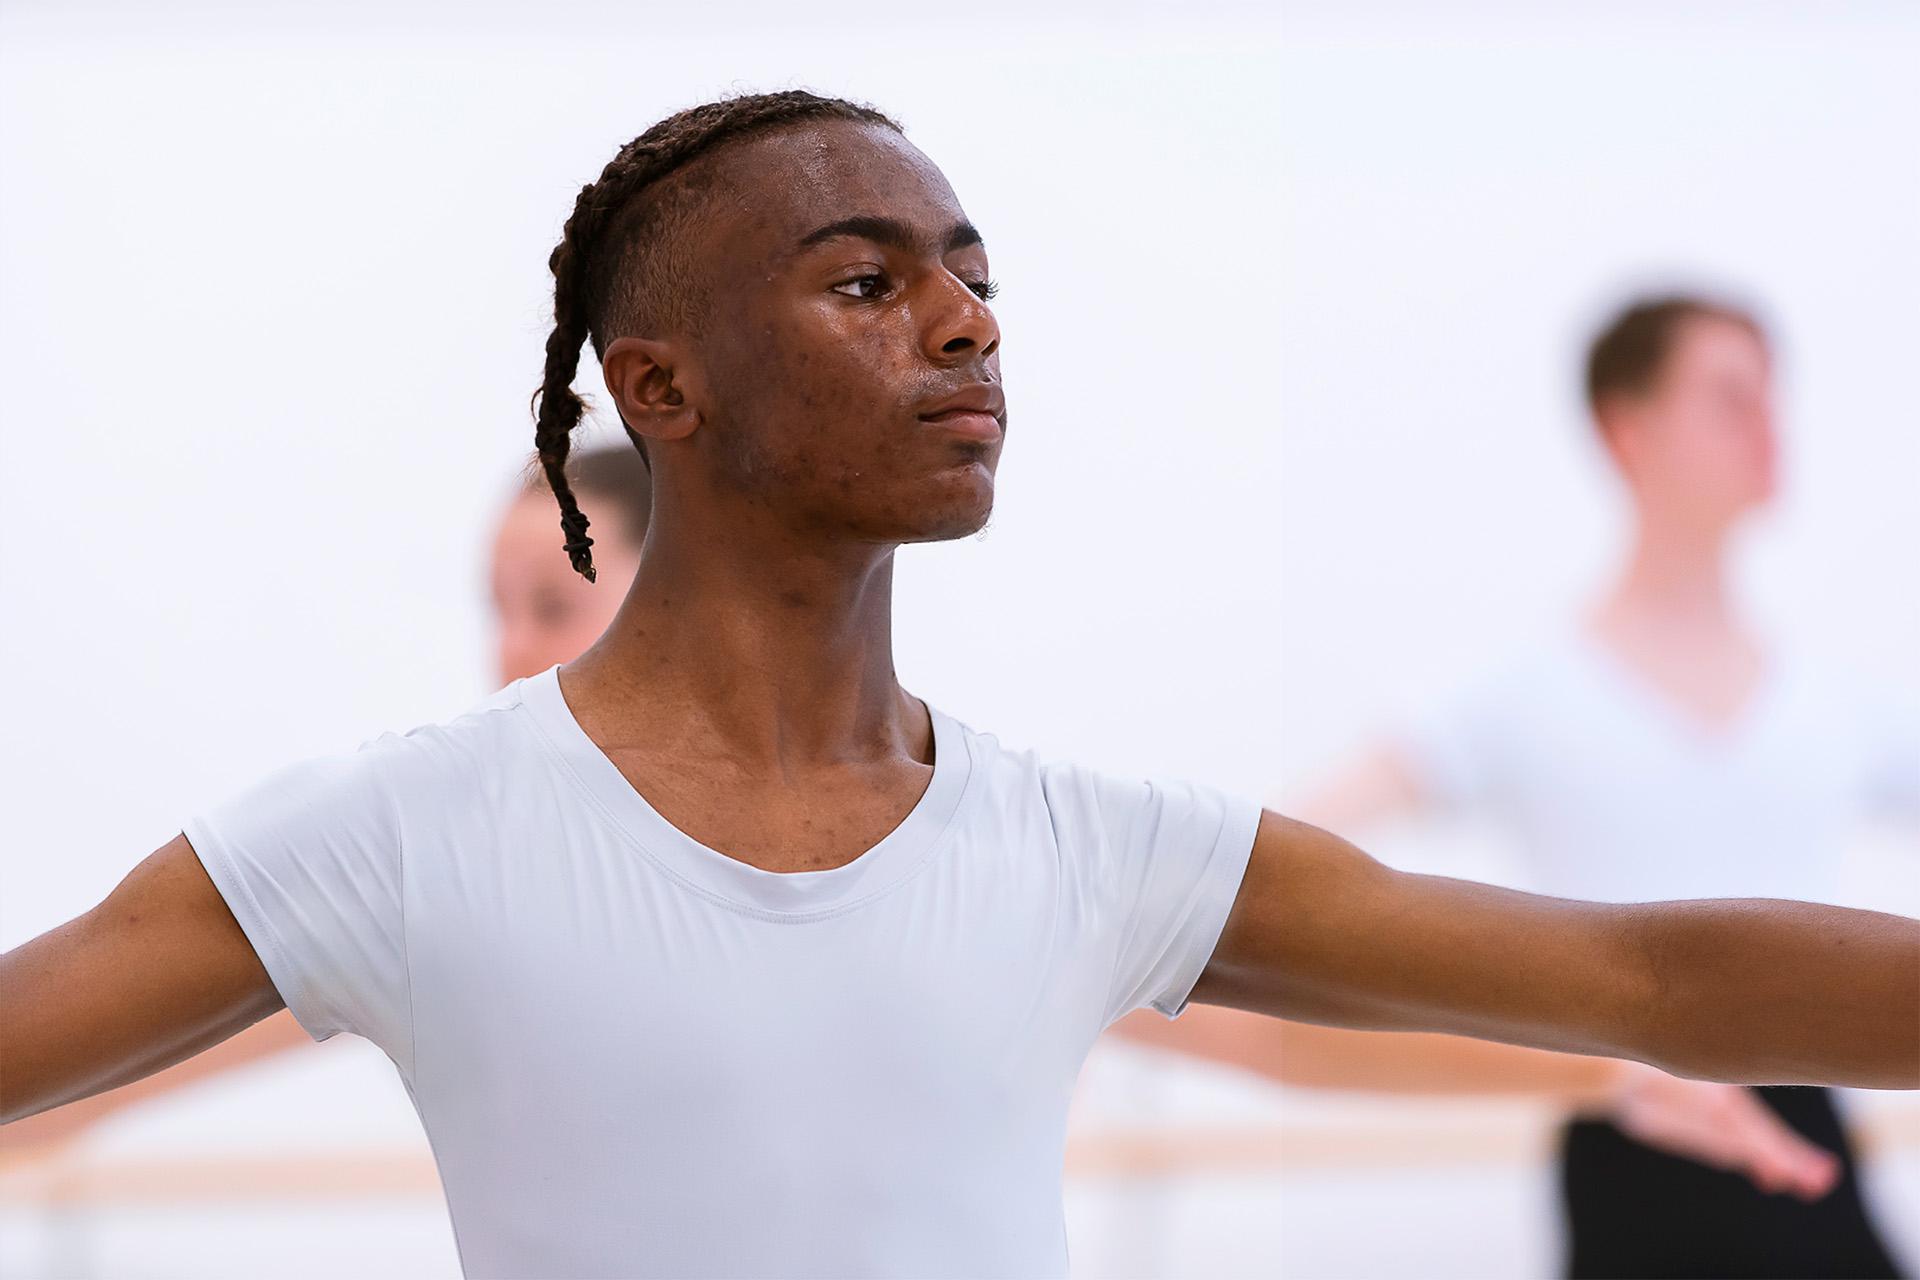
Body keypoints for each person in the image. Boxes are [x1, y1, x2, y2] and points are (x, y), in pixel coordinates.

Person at [1, 93, 1914, 1278]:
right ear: (660, 387)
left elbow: (1642, 972)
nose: (967, 321)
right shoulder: (398, 843)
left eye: (971, 274)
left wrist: (1606, 1072)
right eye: (868, 282)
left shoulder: (1081, 853)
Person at [1134, 294, 1916, 1277]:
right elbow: (1276, 864)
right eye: (1730, 397)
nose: (1770, 427)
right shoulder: (1521, 692)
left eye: (1772, 396)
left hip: (1812, 1148)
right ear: (1628, 427)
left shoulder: (1837, 702)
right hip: (1626, 1141)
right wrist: (1123, 966)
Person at [0, 445, 650, 1159]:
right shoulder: (452, 853)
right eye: (499, 610)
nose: (512, 651)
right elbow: (141, 1036)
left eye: (554, 608)